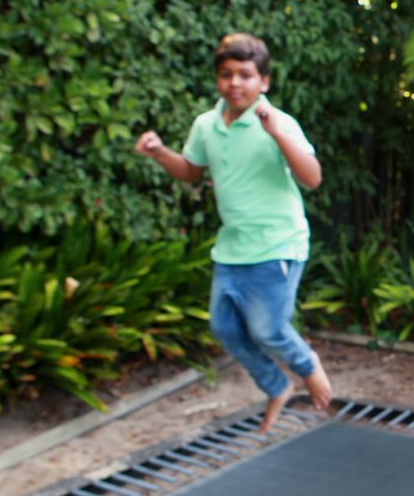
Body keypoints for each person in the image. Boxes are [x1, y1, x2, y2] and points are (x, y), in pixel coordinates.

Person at [135, 33, 332, 433]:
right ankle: (276, 386)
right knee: (224, 328)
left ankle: (309, 367)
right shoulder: (206, 125)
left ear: (264, 82)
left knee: (268, 329)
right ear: (217, 80)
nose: (235, 83)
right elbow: (191, 171)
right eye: (227, 75)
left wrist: (277, 133)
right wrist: (159, 153)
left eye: (245, 75)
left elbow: (312, 179)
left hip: (278, 243)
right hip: (233, 248)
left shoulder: (280, 122)